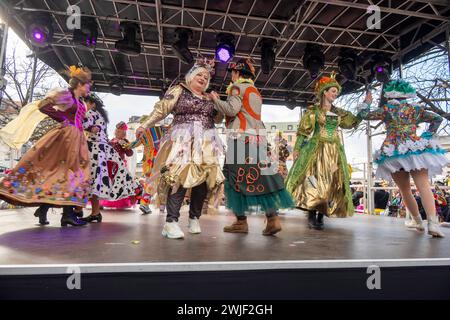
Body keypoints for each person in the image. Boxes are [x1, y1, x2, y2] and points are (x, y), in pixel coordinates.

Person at [135, 57, 224, 239]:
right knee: (179, 177)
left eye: (206, 77)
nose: (203, 79)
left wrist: (218, 104)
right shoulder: (179, 90)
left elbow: (217, 120)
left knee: (203, 180)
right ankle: (171, 222)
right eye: (199, 75)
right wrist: (145, 124)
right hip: (183, 138)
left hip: (206, 141)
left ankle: (194, 218)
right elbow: (162, 109)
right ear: (190, 77)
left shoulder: (209, 98)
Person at [210, 58, 294, 235]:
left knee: (234, 179)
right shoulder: (255, 90)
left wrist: (215, 99)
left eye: (232, 73)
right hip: (258, 140)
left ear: (236, 73)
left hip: (240, 139)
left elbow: (231, 110)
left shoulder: (236, 88)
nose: (231, 77)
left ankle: (241, 222)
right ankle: (272, 218)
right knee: (262, 178)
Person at [0, 65, 92, 226]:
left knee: (62, 175)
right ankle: (67, 215)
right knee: (70, 174)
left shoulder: (80, 101)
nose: (89, 87)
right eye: (88, 84)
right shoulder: (67, 95)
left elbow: (79, 119)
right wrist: (63, 118)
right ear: (80, 84)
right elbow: (43, 105)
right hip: (66, 138)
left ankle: (45, 209)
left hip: (77, 139)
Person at [358, 79, 447, 238]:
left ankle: (417, 221)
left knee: (405, 190)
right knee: (424, 186)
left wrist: (367, 101)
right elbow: (437, 119)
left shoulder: (386, 109)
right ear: (406, 94)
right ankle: (433, 223)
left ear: (390, 94)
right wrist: (426, 135)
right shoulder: (416, 109)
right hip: (415, 148)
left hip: (394, 152)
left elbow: (364, 114)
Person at [285, 73, 362, 230]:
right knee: (314, 181)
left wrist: (365, 107)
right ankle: (312, 213)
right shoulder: (313, 112)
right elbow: (303, 131)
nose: (335, 94)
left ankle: (321, 215)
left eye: (336, 92)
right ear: (324, 92)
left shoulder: (339, 112)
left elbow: (352, 122)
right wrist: (297, 148)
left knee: (330, 182)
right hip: (316, 149)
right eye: (333, 91)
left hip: (334, 151)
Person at [81, 95, 139, 222]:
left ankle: (82, 210)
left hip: (94, 149)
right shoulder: (102, 116)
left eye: (86, 102)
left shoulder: (91, 112)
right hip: (102, 151)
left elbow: (83, 124)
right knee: (96, 181)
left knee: (88, 179)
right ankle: (94, 211)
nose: (85, 105)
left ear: (92, 104)